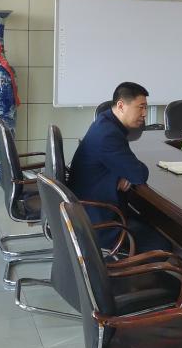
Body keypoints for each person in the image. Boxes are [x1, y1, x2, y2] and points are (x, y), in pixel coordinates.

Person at [69, 81, 170, 252]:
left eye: (146, 108)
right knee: (163, 244)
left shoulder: (105, 121)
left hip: (88, 211)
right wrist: (124, 172)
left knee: (152, 222)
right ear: (121, 106)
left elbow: (128, 168)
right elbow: (139, 174)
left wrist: (120, 173)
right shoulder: (108, 135)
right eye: (141, 107)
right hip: (99, 222)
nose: (145, 113)